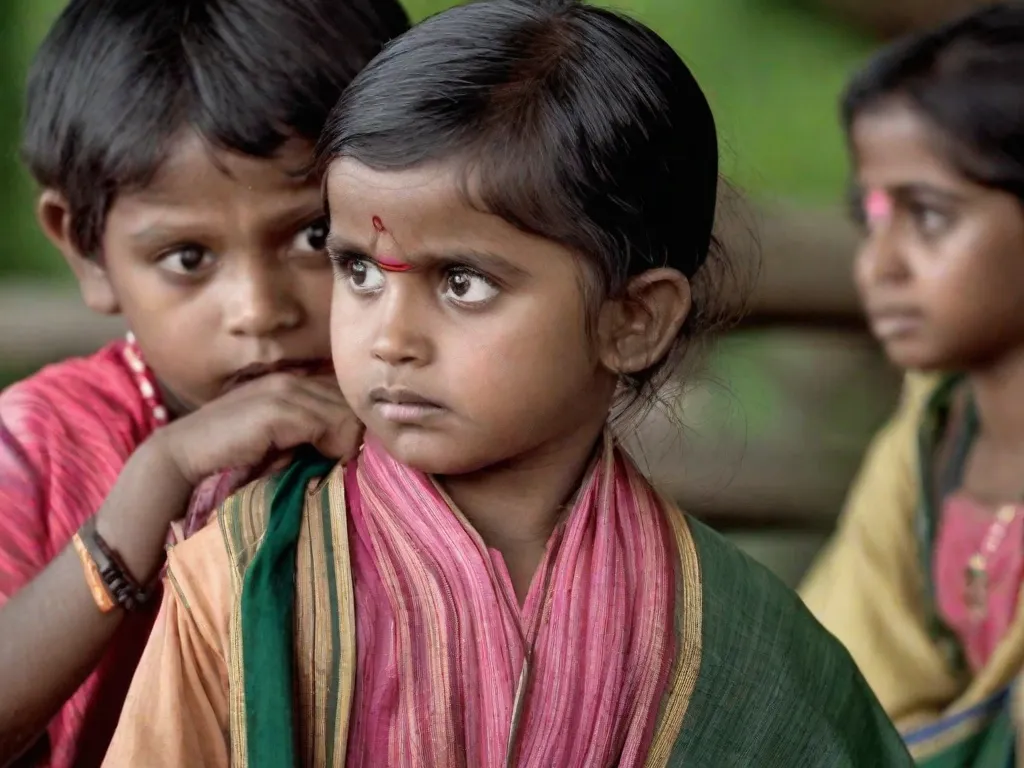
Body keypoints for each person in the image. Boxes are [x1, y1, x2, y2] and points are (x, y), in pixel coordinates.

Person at [102, 2, 912, 765]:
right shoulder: (247, 585)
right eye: (358, 269)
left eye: (462, 282)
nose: (390, 338)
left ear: (634, 319)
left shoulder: (746, 647)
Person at [0, 1, 409, 765]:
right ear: (86, 249)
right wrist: (151, 486)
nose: (259, 310)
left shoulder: (429, 421)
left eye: (315, 236)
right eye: (188, 257)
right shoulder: (40, 442)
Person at [799, 4, 1024, 765]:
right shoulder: (930, 439)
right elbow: (834, 682)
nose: (879, 264)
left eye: (927, 216)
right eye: (871, 217)